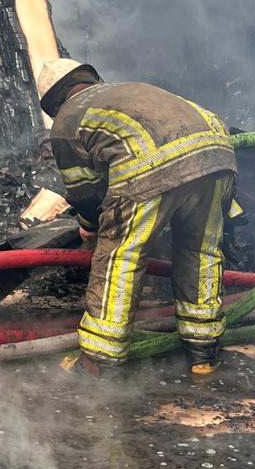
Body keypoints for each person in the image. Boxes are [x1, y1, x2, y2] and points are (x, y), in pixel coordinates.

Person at [35, 59, 236, 376]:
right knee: (201, 251)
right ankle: (203, 353)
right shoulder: (123, 91)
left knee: (120, 255)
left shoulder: (67, 122)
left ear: (53, 103)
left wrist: (90, 227)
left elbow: (85, 193)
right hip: (217, 155)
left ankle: (99, 361)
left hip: (152, 168)